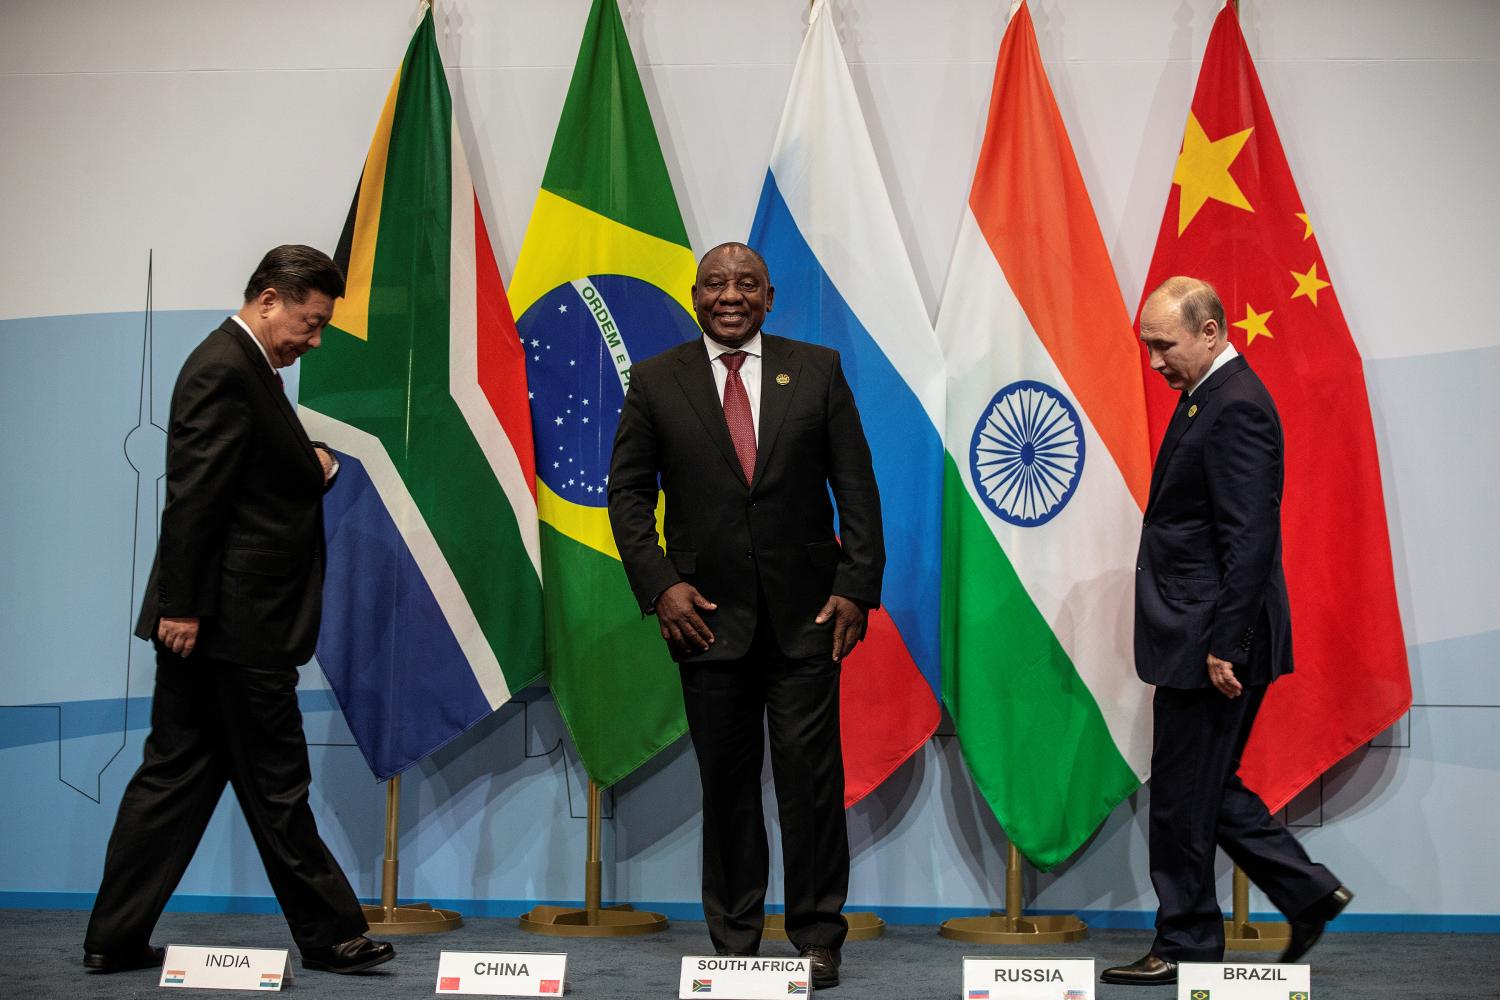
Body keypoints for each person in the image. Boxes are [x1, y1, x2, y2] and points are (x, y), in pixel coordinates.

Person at [83, 245, 393, 976]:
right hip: (230, 625)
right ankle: (331, 935)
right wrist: (184, 607)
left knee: (172, 782)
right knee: (278, 784)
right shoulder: (224, 367)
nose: (312, 341)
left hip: (222, 623)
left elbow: (249, 471)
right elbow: (194, 496)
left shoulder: (242, 366)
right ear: (268, 301)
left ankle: (113, 938)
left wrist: (315, 461)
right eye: (309, 324)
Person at [607, 242, 883, 989]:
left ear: (770, 297)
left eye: (747, 283)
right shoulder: (657, 379)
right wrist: (660, 586)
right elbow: (629, 495)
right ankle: (733, 940)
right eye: (717, 283)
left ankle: (819, 936)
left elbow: (856, 486)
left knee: (810, 784)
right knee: (726, 784)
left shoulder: (817, 369)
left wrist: (857, 587)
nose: (731, 294)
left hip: (808, 617)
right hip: (701, 616)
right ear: (695, 295)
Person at [1102, 277, 1352, 986]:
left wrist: (1223, 644)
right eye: (1147, 345)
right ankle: (1305, 892)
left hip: (1211, 638)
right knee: (1200, 789)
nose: (1152, 360)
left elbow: (1250, 541)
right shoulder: (1206, 396)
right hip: (1198, 629)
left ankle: (1184, 946)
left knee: (1185, 796)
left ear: (1210, 332)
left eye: (1162, 344)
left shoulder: (1237, 406)